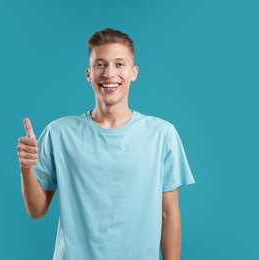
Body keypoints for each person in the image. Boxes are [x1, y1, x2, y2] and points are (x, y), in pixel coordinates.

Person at [17, 28, 195, 260]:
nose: (109, 73)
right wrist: (26, 168)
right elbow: (36, 210)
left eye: (119, 64)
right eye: (100, 64)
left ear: (134, 72)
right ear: (89, 73)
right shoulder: (59, 133)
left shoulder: (162, 134)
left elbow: (168, 213)